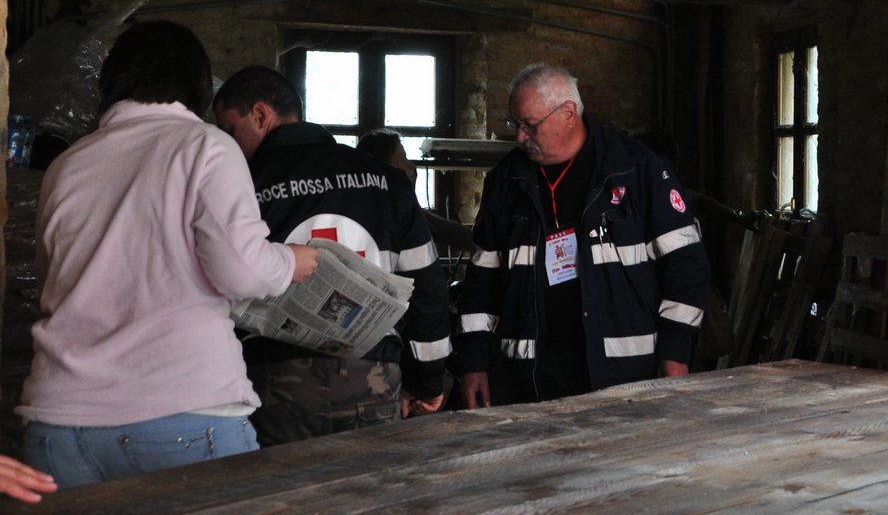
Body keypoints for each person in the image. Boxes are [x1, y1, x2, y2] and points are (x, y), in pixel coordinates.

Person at [17, 22, 317, 487]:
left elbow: (51, 281)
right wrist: (290, 263)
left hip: (60, 423)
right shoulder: (207, 147)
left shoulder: (66, 165)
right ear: (197, 88)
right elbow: (241, 271)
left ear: (109, 84)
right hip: (183, 412)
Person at [213, 67, 452, 443]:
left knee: (285, 497)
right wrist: (428, 382)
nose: (228, 145)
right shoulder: (387, 181)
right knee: (372, 494)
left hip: (276, 386)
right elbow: (429, 290)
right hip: (373, 379)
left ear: (260, 116)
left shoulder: (240, 184)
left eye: (230, 131)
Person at [456, 64, 710, 407]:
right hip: (529, 376)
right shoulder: (506, 181)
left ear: (568, 114)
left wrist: (676, 352)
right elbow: (481, 280)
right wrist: (474, 362)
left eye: (530, 125)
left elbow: (687, 267)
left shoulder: (637, 171)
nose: (519, 137)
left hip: (626, 374)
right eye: (515, 125)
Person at [355, 129, 475, 253]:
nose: (412, 166)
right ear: (385, 168)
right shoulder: (400, 213)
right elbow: (462, 236)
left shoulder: (359, 209)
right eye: (403, 160)